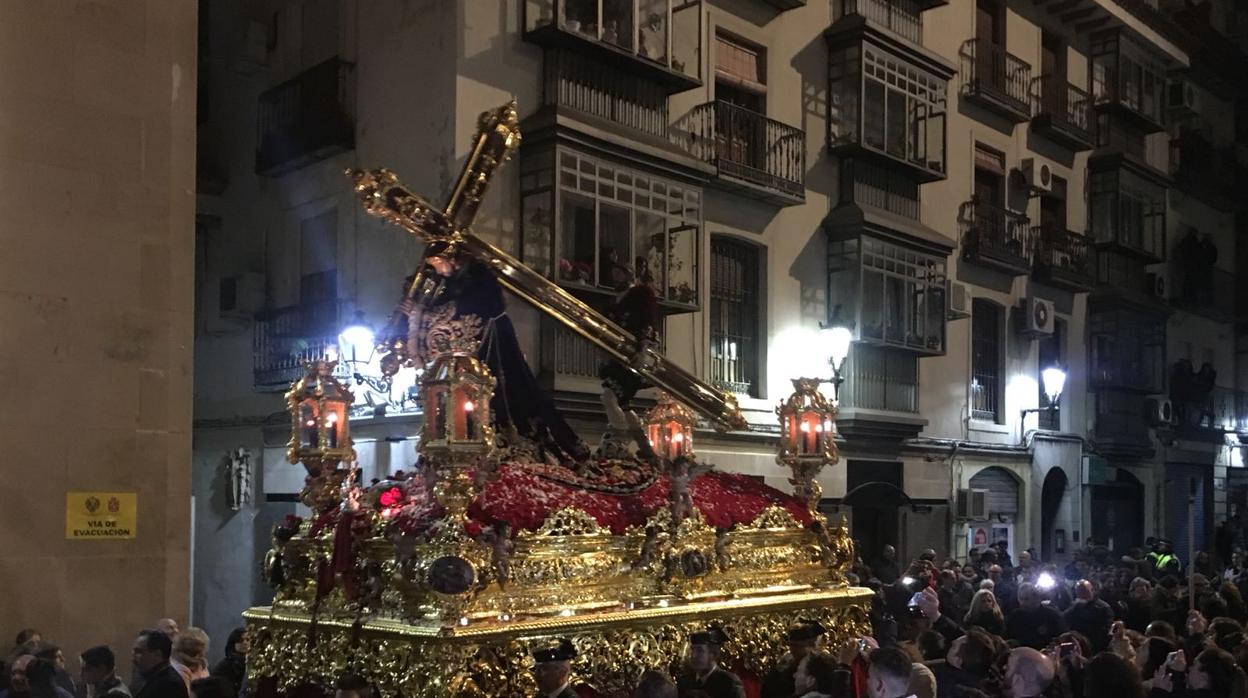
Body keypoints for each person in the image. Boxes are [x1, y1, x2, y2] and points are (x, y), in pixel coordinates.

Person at [406, 240, 591, 464]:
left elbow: (474, 309)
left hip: (491, 344)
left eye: (438, 263)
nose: (437, 269)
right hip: (465, 356)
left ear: (452, 259)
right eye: (432, 265)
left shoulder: (477, 279)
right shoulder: (443, 285)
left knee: (507, 394)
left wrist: (422, 313)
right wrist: (416, 309)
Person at [597, 257, 660, 460]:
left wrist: (643, 349)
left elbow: (647, 321)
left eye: (619, 274)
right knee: (623, 403)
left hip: (633, 356)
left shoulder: (641, 294)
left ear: (628, 274)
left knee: (609, 396)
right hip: (617, 357)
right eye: (613, 275)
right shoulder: (613, 301)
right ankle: (644, 446)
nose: (615, 278)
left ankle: (619, 439)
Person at [760, 620, 826, 698]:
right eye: (792, 645)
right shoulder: (782, 667)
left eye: (798, 646)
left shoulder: (822, 664)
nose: (793, 650)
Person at [676, 628, 745, 698]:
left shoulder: (728, 682)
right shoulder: (684, 682)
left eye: (700, 650)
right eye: (692, 650)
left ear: (713, 655)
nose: (693, 655)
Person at [1006, 582, 1067, 650]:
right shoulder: (1014, 616)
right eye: (1021, 599)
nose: (1023, 603)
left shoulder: (1052, 615)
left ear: (1037, 598)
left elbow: (1062, 637)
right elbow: (1008, 637)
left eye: (1026, 599)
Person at [132, 630, 188, 698]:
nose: (133, 659)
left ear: (157, 654)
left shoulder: (169, 685)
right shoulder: (154, 678)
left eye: (139, 652)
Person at [1065, 579, 1114, 653]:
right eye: (1080, 592)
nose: (1083, 595)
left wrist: (1083, 637)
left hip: (1094, 646)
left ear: (1092, 590)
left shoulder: (1103, 608)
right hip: (1076, 645)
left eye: (1085, 591)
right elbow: (1064, 620)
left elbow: (1105, 631)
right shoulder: (1075, 606)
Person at [209, 629, 245, 698]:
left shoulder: (254, 663)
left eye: (248, 640)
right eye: (240, 640)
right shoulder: (225, 665)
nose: (245, 643)